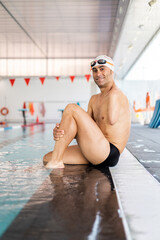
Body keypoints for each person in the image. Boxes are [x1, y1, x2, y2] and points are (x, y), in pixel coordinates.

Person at [43, 55, 131, 169]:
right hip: (94, 149)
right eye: (95, 70)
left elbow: (112, 120)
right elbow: (82, 131)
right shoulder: (94, 99)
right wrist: (61, 131)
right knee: (47, 157)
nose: (98, 73)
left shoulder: (116, 95)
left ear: (112, 71)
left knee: (71, 108)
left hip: (108, 151)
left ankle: (56, 161)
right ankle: (56, 160)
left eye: (102, 68)